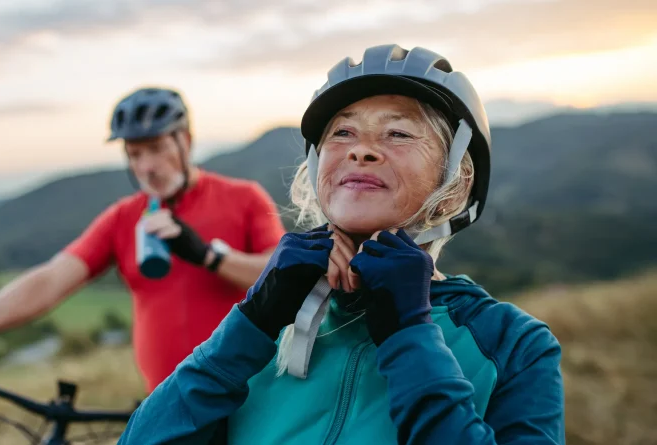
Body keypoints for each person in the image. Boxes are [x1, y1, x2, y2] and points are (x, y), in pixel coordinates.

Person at [117, 44, 565, 444]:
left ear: (456, 182)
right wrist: (254, 319)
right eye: (343, 133)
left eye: (398, 133)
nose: (360, 150)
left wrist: (410, 336)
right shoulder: (268, 335)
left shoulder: (512, 343)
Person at [0, 86, 286, 402]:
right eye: (134, 154)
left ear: (184, 141)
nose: (146, 166)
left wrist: (209, 256)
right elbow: (51, 280)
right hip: (167, 405)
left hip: (248, 396)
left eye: (156, 148)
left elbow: (282, 276)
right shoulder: (124, 218)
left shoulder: (244, 198)